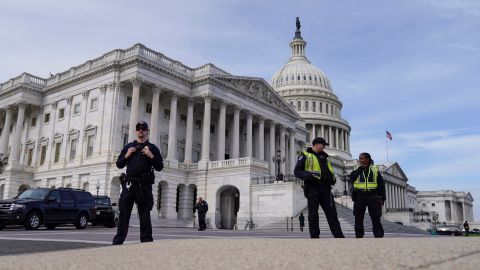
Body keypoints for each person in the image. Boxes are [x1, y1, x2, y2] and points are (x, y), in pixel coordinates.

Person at [112, 121, 164, 245]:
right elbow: (119, 164)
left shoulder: (152, 148)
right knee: (124, 214)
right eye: (138, 128)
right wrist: (127, 155)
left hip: (144, 186)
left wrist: (150, 155)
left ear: (147, 131)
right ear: (136, 131)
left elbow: (160, 166)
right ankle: (118, 241)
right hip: (129, 185)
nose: (141, 130)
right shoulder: (129, 147)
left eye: (143, 128)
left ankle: (146, 242)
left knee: (145, 215)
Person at [294, 137, 345, 238]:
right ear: (317, 144)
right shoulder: (305, 155)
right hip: (312, 187)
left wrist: (333, 179)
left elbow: (330, 171)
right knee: (313, 214)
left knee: (332, 213)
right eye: (323, 145)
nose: (325, 147)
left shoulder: (325, 158)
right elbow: (297, 171)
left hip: (326, 188)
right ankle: (315, 236)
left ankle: (338, 235)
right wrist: (307, 176)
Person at [349, 152, 386, 238]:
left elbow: (381, 184)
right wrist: (360, 169)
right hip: (359, 196)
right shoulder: (356, 168)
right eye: (359, 158)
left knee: (375, 217)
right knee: (358, 217)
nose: (360, 160)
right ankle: (359, 235)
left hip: (372, 196)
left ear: (367, 159)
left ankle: (378, 234)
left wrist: (382, 198)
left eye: (362, 158)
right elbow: (351, 178)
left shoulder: (375, 169)